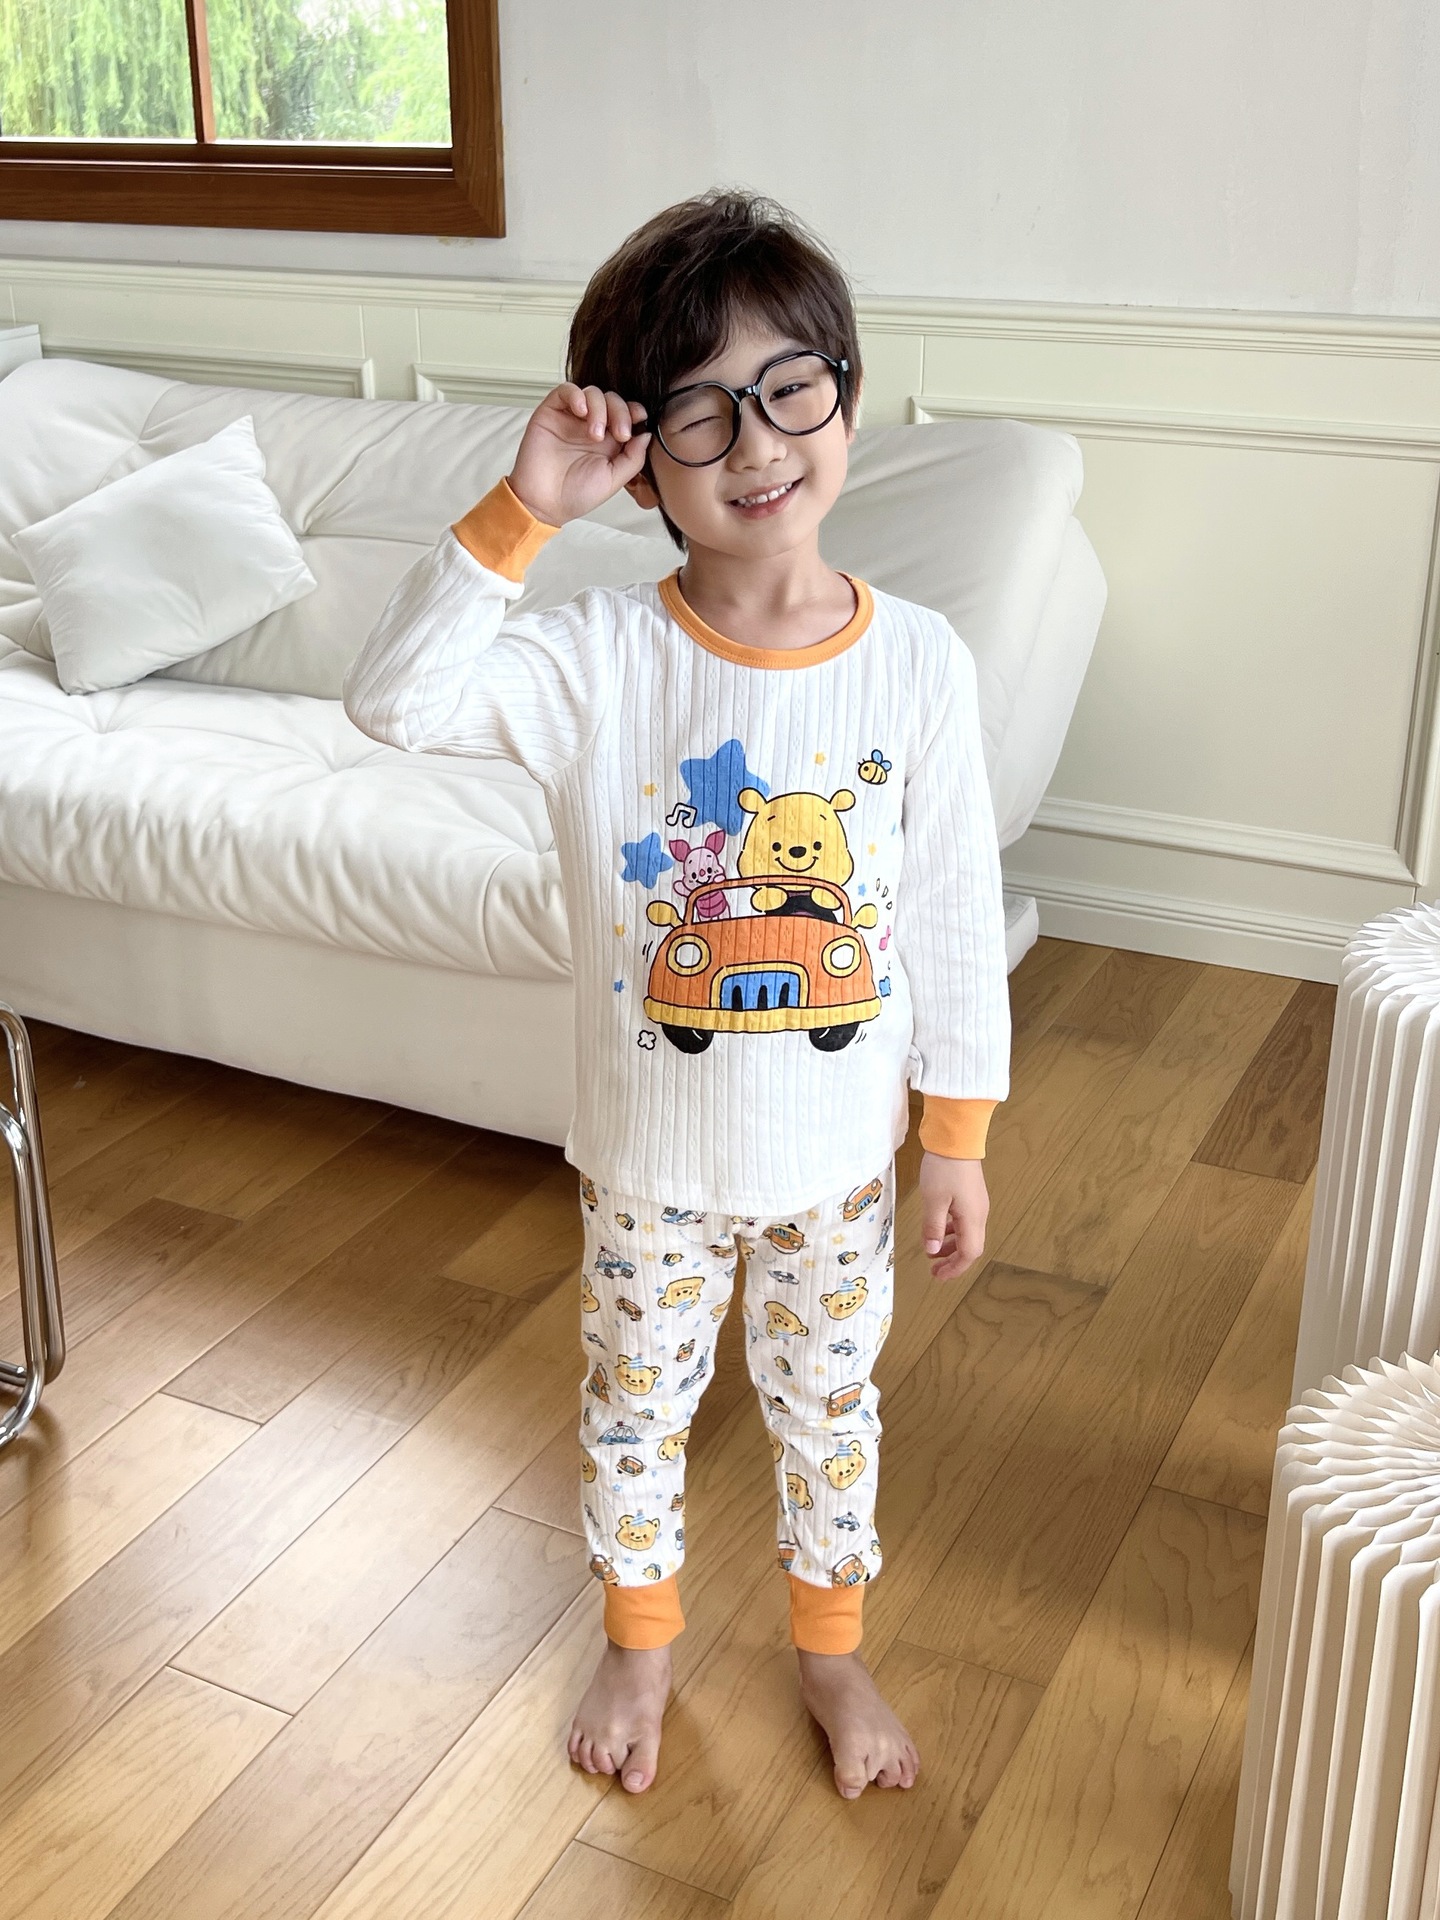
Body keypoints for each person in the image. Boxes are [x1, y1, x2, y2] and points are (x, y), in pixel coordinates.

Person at [342, 187, 1011, 1801]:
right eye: (700, 412)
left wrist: (956, 1136)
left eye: (790, 388)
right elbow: (393, 704)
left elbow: (948, 911)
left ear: (846, 392)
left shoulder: (919, 661)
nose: (756, 443)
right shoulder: (596, 661)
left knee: (830, 1413)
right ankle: (638, 1644)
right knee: (634, 1416)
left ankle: (831, 1650)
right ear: (644, 457)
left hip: (840, 1163)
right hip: (649, 1165)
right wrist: (526, 505)